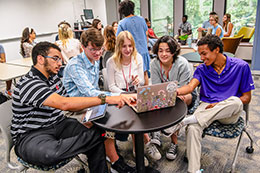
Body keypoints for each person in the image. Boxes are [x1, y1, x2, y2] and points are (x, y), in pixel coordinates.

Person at [10, 41, 136, 173]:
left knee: (99, 135)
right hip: (30, 135)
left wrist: (87, 116)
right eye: (55, 59)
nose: (60, 63)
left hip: (58, 124)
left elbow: (69, 103)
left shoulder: (53, 79)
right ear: (40, 59)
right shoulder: (29, 83)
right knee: (51, 154)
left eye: (60, 59)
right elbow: (64, 104)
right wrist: (107, 99)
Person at [164, 35, 255, 173]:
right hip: (206, 106)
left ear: (216, 50)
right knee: (193, 129)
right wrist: (174, 92)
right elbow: (190, 87)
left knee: (236, 101)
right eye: (200, 54)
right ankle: (193, 170)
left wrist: (219, 104)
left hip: (228, 111)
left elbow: (246, 98)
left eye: (204, 53)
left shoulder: (241, 66)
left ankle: (187, 120)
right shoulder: (201, 69)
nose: (201, 58)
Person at [62, 28, 136, 173]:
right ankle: (115, 161)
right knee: (103, 122)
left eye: (99, 49)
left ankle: (110, 153)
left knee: (114, 113)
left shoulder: (95, 61)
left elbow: (94, 92)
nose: (97, 53)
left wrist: (115, 98)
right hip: (75, 110)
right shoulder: (75, 65)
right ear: (83, 47)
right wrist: (116, 97)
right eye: (92, 49)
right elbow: (89, 93)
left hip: (90, 104)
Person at [106, 30, 161, 163]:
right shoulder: (111, 62)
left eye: (130, 46)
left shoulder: (138, 58)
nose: (128, 49)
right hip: (119, 96)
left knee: (141, 115)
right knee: (134, 116)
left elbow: (142, 82)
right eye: (124, 46)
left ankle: (142, 147)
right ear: (118, 46)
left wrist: (138, 82)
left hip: (135, 94)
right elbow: (111, 86)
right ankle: (143, 146)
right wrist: (124, 96)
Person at [150, 36, 196, 161]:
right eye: (160, 50)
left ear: (174, 51)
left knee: (178, 101)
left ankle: (174, 143)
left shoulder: (182, 63)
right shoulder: (154, 63)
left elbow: (183, 89)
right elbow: (156, 87)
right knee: (151, 99)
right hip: (163, 94)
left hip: (183, 95)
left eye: (167, 50)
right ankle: (157, 131)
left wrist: (167, 96)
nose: (163, 54)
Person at [117, 0, 150, 85]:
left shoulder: (122, 23)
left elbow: (119, 39)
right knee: (145, 74)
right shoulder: (142, 20)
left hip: (131, 53)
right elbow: (146, 35)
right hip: (144, 50)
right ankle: (146, 95)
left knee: (132, 75)